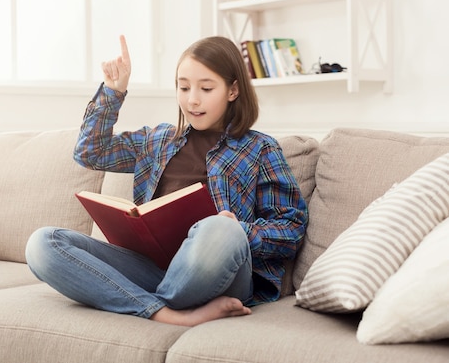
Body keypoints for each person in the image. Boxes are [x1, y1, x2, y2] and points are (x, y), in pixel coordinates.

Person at [26, 35, 307, 327]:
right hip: (151, 269)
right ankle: (166, 313)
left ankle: (137, 300)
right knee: (43, 243)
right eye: (183, 87)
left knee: (221, 228)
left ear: (233, 90)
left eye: (206, 88)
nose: (192, 99)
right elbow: (90, 153)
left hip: (217, 272)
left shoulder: (260, 149)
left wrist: (240, 231)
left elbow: (292, 228)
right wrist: (113, 91)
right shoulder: (157, 140)